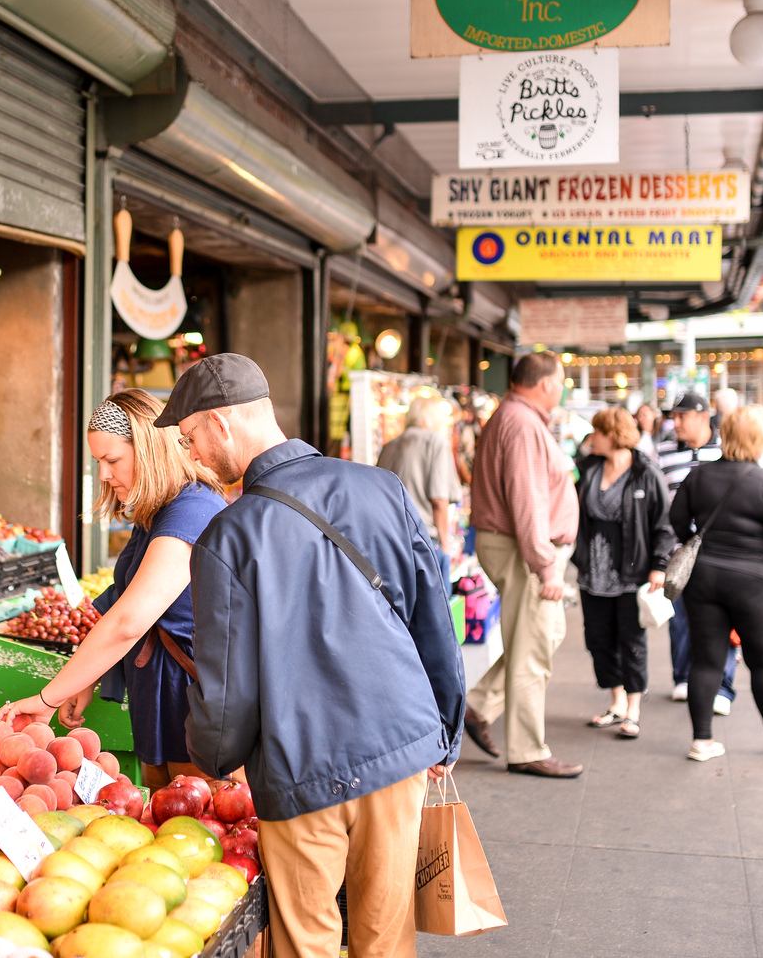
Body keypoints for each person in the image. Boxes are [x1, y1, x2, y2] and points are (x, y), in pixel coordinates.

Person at [161, 353, 462, 958]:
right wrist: (445, 732)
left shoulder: (229, 534)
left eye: (190, 437)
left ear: (221, 425)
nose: (191, 455)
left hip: (301, 767)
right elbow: (433, 619)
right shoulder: (381, 487)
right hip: (400, 746)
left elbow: (226, 686)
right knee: (385, 936)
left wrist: (215, 759)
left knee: (307, 942)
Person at [0, 391, 224, 788]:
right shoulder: (156, 514)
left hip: (199, 715)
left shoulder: (192, 512)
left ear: (151, 451)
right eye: (98, 462)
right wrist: (85, 678)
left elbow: (128, 621)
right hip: (164, 710)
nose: (103, 475)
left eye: (112, 460)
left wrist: (48, 698)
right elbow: (121, 606)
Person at [461, 351, 583, 779]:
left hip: (516, 546)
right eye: (561, 381)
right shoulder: (521, 423)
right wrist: (545, 566)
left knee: (542, 635)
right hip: (521, 548)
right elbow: (527, 502)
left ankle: (477, 706)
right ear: (546, 383)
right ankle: (527, 748)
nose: (562, 388)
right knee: (533, 647)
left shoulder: (516, 418)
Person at [671, 406, 763, 761]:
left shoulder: (698, 477)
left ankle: (702, 741)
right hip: (753, 580)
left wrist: (696, 543)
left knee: (706, 661)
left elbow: (677, 519)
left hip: (705, 578)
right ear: (759, 438)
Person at [573, 408, 675, 740]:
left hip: (632, 572)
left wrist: (659, 565)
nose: (593, 438)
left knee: (631, 640)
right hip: (593, 571)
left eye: (598, 432)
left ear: (612, 435)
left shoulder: (646, 472)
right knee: (598, 638)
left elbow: (663, 525)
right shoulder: (588, 468)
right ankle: (615, 700)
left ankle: (633, 708)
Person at [658, 392, 739, 712]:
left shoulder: (726, 451)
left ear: (704, 416)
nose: (675, 423)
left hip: (721, 550)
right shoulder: (663, 452)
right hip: (679, 551)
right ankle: (683, 676)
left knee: (722, 617)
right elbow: (660, 505)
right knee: (680, 617)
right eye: (673, 417)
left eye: (682, 416)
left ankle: (723, 685)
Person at [377, 393, 462, 582]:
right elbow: (439, 499)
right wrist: (445, 543)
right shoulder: (435, 442)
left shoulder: (389, 446)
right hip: (424, 541)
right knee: (435, 607)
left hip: (390, 539)